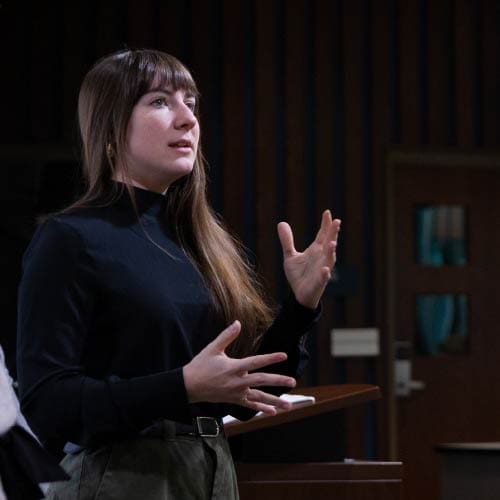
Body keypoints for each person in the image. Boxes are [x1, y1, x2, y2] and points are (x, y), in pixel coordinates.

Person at [16, 48, 341, 499]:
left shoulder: (197, 241)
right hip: (121, 478)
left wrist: (301, 307)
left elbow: (246, 395)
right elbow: (47, 405)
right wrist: (181, 385)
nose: (188, 119)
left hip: (209, 470)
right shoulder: (70, 238)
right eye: (160, 101)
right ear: (110, 126)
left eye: (192, 102)